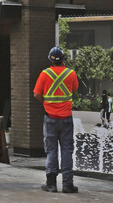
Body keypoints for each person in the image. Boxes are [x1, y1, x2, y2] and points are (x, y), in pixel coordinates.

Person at [33, 45, 79, 194]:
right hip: (66, 118)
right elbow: (74, 89)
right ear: (63, 60)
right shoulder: (70, 74)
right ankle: (67, 184)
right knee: (67, 150)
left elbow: (36, 95)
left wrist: (47, 103)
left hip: (50, 118)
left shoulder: (44, 74)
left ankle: (51, 184)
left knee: (52, 150)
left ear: (50, 60)